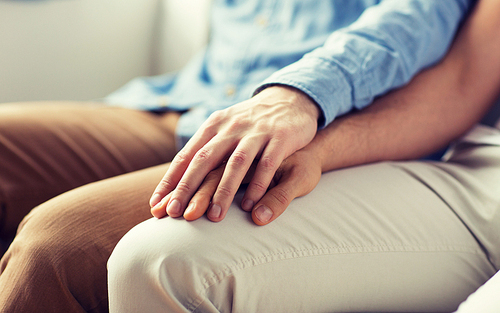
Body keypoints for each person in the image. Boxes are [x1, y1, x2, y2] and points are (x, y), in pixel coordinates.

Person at [0, 0, 481, 312]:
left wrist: (296, 96)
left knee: (59, 242)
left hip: (298, 126)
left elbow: (416, 17)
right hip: (188, 101)